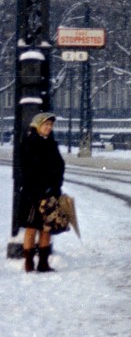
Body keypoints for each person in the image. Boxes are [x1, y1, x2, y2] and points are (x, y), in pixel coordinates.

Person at [18, 111, 65, 273]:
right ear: (38, 125)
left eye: (51, 125)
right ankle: (29, 263)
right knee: (31, 228)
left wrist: (56, 186)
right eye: (46, 124)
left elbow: (59, 166)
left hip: (50, 193)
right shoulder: (29, 142)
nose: (49, 128)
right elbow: (27, 169)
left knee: (46, 228)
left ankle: (43, 263)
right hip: (33, 193)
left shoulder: (52, 143)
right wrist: (38, 187)